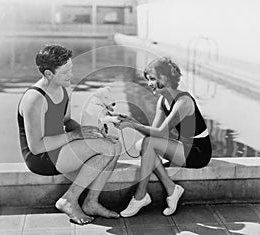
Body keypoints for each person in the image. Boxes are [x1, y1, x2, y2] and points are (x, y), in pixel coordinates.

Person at [17, 44, 122, 225]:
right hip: (42, 157)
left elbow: (66, 122)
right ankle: (69, 200)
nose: (71, 75)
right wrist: (75, 136)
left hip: (60, 147)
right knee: (108, 149)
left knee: (114, 145)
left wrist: (93, 133)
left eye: (71, 69)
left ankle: (91, 202)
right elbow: (36, 147)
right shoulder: (35, 99)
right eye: (65, 72)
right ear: (49, 74)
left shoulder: (62, 88)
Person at [116, 57, 212, 217]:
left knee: (148, 144)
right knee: (142, 145)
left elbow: (160, 133)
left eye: (152, 79)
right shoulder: (163, 100)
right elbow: (154, 130)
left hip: (198, 152)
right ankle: (171, 189)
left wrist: (132, 124)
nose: (149, 84)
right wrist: (128, 120)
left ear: (165, 78)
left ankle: (140, 196)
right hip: (184, 147)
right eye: (148, 79)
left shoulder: (184, 101)